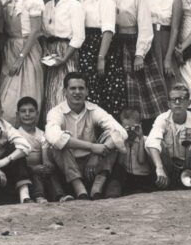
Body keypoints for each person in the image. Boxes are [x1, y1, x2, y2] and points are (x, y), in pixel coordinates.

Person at [44, 71, 128, 200]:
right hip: (68, 164)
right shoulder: (56, 112)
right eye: (72, 88)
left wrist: (96, 153)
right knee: (56, 145)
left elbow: (121, 131)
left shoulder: (93, 109)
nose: (77, 92)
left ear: (87, 91)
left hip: (93, 164)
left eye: (81, 88)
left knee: (114, 137)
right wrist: (92, 147)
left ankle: (97, 188)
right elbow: (54, 137)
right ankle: (80, 190)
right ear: (65, 91)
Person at [110, 0, 169, 121]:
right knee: (119, 89)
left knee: (140, 92)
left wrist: (139, 54)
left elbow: (145, 26)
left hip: (133, 44)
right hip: (115, 44)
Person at [0, 0, 45, 123]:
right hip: (10, 48)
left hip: (27, 50)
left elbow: (34, 32)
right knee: (6, 98)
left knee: (27, 93)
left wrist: (20, 59)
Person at [71, 0, 119, 111]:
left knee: (102, 90)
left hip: (100, 47)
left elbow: (108, 30)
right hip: (85, 47)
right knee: (87, 90)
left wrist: (101, 57)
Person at [144, 83, 191, 190]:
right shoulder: (162, 118)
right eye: (173, 99)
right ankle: (163, 180)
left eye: (181, 99)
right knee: (154, 144)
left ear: (188, 103)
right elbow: (151, 141)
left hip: (188, 165)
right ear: (168, 104)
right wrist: (159, 168)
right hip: (168, 166)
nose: (177, 102)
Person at [39, 0, 85, 114]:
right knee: (50, 94)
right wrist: (46, 52)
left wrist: (64, 59)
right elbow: (45, 33)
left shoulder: (74, 5)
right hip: (50, 54)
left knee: (63, 93)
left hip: (67, 53)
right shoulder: (47, 6)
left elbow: (79, 37)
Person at [143, 0, 182, 88]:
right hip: (145, 41)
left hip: (164, 41)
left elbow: (175, 29)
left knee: (167, 82)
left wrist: (168, 58)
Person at [14, 97, 64, 203]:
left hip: (40, 168)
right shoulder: (15, 134)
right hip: (25, 171)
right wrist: (32, 168)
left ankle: (60, 196)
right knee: (34, 174)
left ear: (37, 114)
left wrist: (47, 165)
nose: (27, 114)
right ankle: (39, 196)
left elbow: (45, 151)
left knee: (51, 174)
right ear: (17, 115)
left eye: (31, 111)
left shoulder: (42, 133)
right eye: (23, 111)